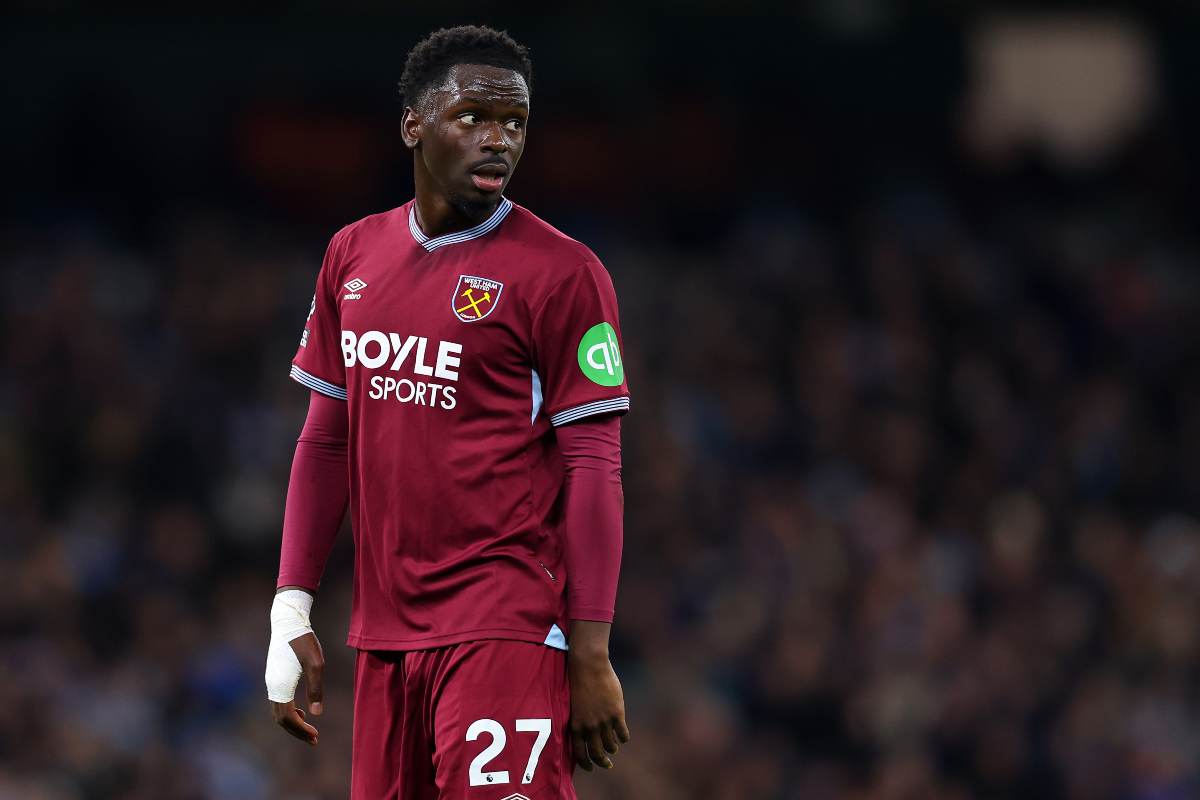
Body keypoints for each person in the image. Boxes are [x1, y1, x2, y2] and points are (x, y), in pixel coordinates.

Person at [263, 25, 632, 800]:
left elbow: (595, 464)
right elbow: (327, 439)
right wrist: (290, 601)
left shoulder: (565, 273)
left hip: (504, 626)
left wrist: (591, 652)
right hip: (384, 640)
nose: (498, 139)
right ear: (413, 125)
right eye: (474, 117)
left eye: (515, 124)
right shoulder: (352, 255)